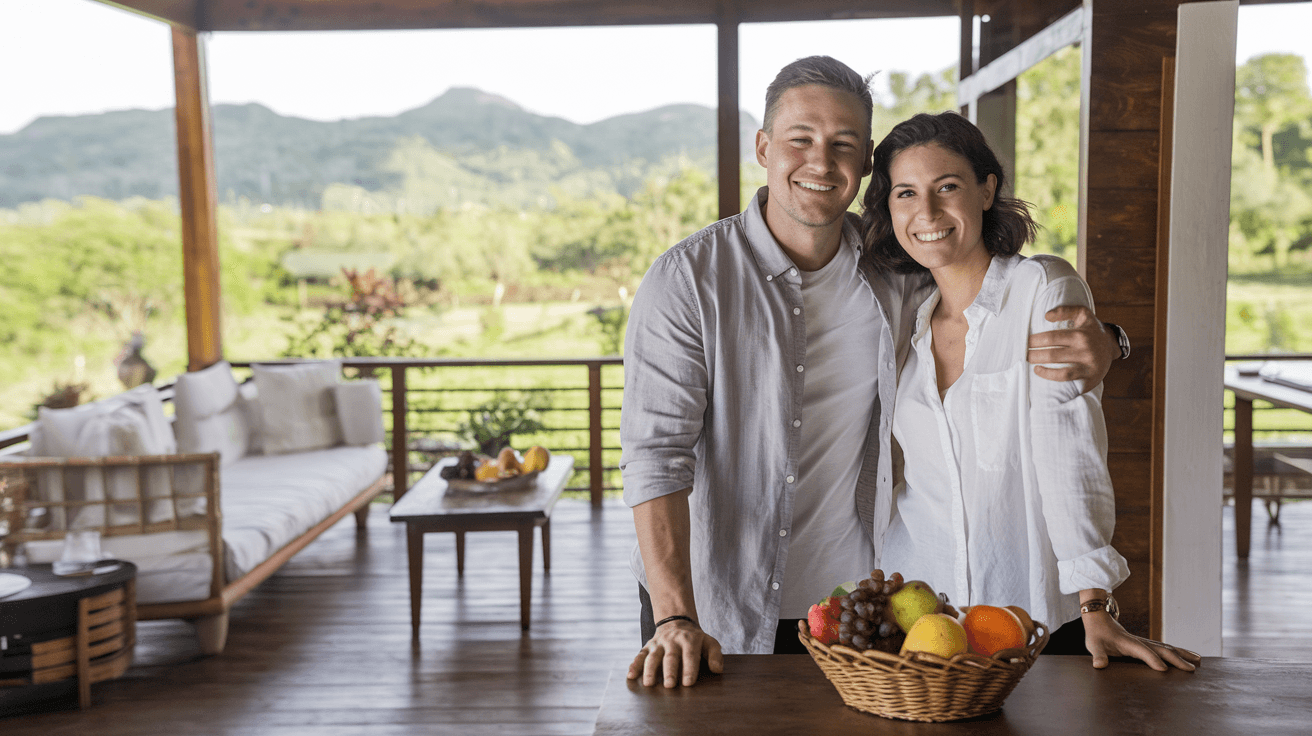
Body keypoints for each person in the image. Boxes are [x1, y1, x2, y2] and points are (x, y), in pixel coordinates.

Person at [620, 56, 1122, 689]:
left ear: (864, 168)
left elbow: (988, 294)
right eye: (800, 140)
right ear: (763, 147)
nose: (820, 162)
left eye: (844, 145)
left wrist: (1107, 342)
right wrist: (673, 615)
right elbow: (654, 455)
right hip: (709, 607)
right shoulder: (688, 280)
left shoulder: (898, 270)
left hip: (855, 613)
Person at [864, 111, 1200, 672]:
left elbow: (1068, 450)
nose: (927, 212)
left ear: (987, 188)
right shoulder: (904, 318)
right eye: (905, 193)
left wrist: (1093, 601)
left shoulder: (1041, 288)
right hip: (923, 619)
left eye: (947, 187)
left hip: (1030, 615)